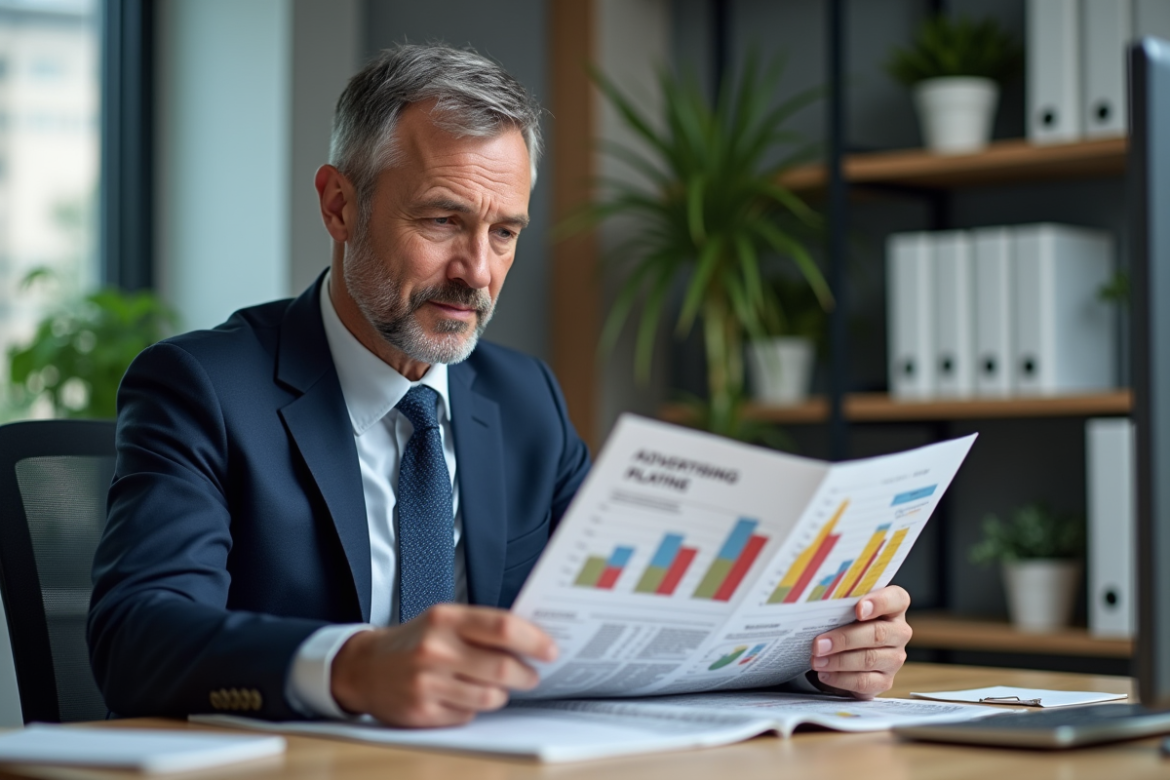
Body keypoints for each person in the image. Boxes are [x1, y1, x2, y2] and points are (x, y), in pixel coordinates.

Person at [87, 43, 912, 729]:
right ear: (340, 205)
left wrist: (816, 656)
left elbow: (641, 626)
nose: (475, 273)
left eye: (505, 232)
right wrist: (354, 667)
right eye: (442, 220)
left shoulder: (525, 401)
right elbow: (138, 639)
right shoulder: (201, 386)